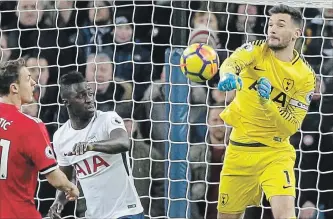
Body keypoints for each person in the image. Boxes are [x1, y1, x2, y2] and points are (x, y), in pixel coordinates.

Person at [217, 4, 316, 219]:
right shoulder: (255, 49)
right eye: (271, 24)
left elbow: (291, 126)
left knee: (285, 214)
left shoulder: (305, 76)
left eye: (281, 25)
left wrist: (267, 103)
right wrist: (226, 76)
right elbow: (232, 62)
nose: (272, 29)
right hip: (239, 151)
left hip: (276, 153)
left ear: (296, 34)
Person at [48, 71, 144, 219]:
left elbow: (123, 142)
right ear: (66, 101)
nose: (88, 99)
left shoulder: (108, 119)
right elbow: (66, 179)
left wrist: (91, 146)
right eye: (80, 96)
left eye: (89, 93)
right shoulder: (60, 137)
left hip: (125, 212)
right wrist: (59, 201)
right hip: (94, 215)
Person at [0, 59, 79, 218]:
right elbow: (55, 179)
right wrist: (71, 187)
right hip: (19, 213)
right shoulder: (30, 126)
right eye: (28, 78)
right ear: (14, 88)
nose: (34, 83)